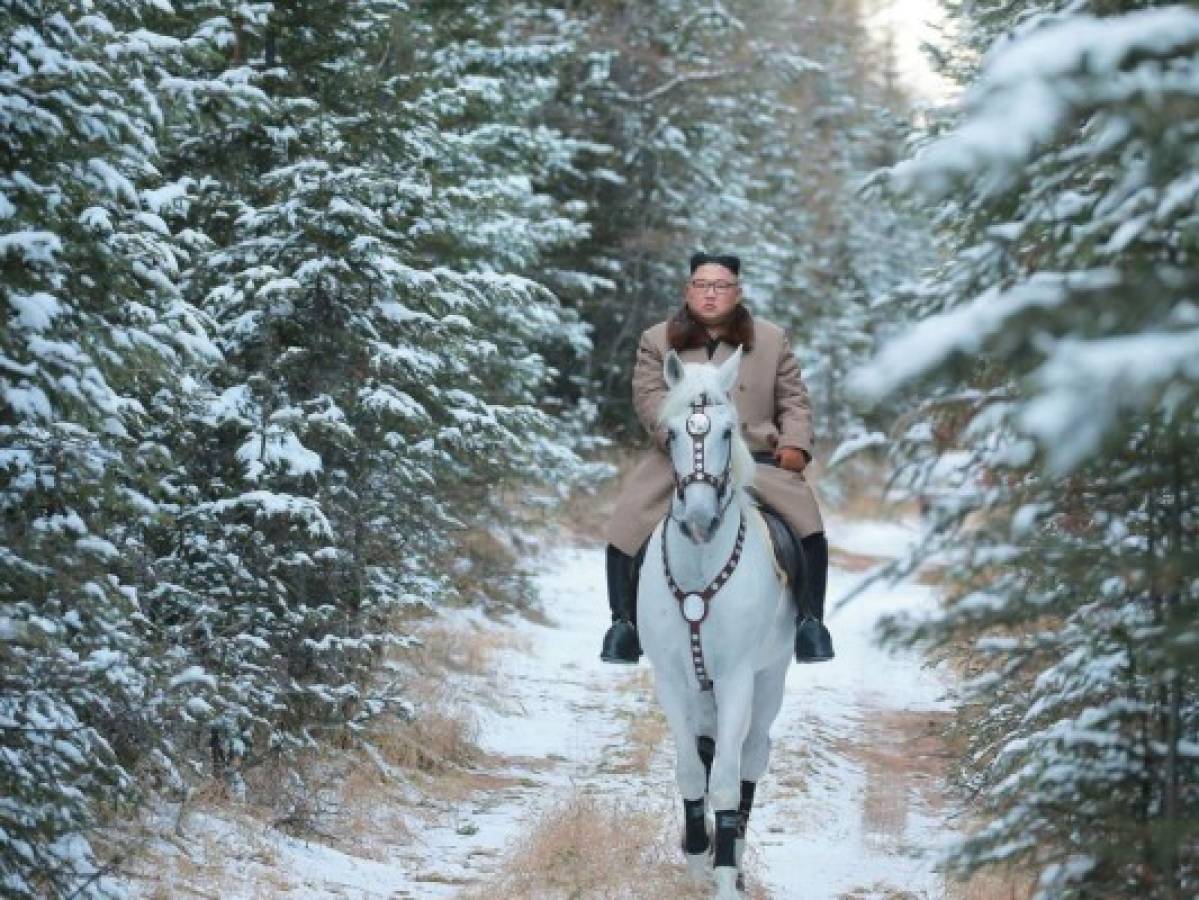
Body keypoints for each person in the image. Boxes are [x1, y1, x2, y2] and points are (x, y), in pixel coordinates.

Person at [600, 251, 834, 665]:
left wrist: (795, 443)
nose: (710, 295)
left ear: (737, 291)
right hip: (681, 456)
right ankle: (624, 625)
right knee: (627, 521)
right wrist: (676, 436)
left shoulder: (771, 339)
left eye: (721, 286)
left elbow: (794, 400)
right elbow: (649, 399)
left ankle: (809, 624)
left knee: (808, 527)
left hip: (757, 458)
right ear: (688, 290)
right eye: (702, 286)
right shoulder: (657, 341)